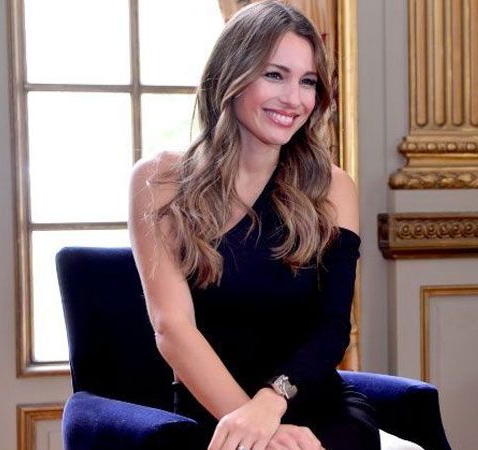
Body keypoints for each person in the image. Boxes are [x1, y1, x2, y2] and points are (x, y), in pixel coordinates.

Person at [127, 2, 379, 449]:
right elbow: (172, 328)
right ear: (232, 74)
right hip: (210, 413)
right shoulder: (158, 180)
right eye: (275, 75)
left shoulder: (333, 186)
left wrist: (270, 404)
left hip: (312, 404)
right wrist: (255, 427)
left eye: (308, 81)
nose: (295, 99)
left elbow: (332, 327)